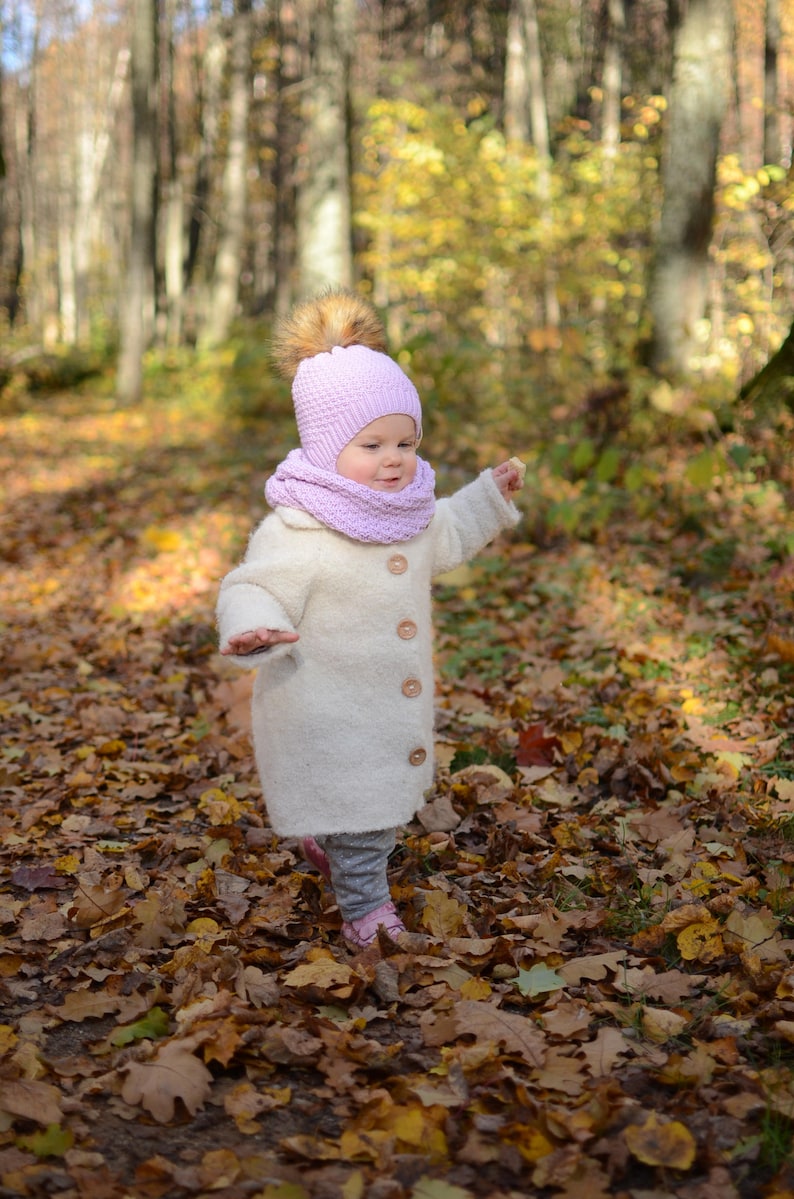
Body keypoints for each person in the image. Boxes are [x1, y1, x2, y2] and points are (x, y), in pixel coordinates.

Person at [217, 290, 524, 950]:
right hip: (324, 703)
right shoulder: (298, 526)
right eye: (373, 443)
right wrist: (254, 626)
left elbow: (448, 530)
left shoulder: (406, 511)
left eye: (406, 441)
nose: (395, 458)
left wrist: (488, 497)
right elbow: (254, 583)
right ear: (327, 448)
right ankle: (365, 910)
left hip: (384, 703)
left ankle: (334, 839)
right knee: (361, 811)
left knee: (371, 805)